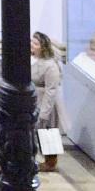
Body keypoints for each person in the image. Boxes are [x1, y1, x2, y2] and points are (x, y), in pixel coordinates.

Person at [32, 32, 64, 173]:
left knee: (48, 131)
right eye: (32, 42)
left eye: (36, 43)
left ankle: (51, 162)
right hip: (35, 100)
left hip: (45, 102)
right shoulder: (33, 60)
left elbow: (51, 90)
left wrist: (44, 112)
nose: (32, 45)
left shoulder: (50, 66)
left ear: (43, 47)